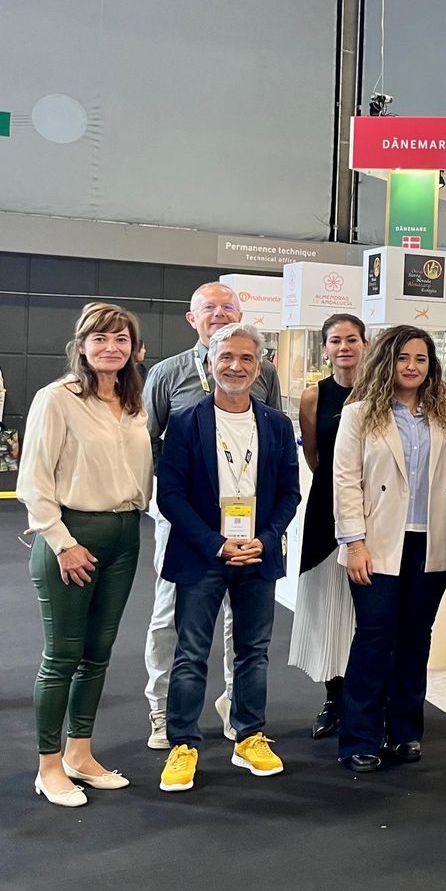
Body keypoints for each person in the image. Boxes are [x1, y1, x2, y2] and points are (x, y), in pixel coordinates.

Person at [155, 323, 300, 793]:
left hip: (257, 553)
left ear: (259, 368)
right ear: (210, 362)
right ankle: (183, 743)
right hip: (202, 554)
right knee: (191, 652)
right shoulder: (185, 422)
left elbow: (290, 493)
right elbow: (170, 495)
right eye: (226, 357)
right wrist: (215, 543)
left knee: (254, 652)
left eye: (246, 359)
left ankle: (249, 735)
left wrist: (267, 538)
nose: (236, 366)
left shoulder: (277, 424)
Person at [17, 303, 152, 807]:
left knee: (98, 653)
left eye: (121, 339)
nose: (111, 348)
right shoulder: (57, 398)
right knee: (63, 656)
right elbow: (34, 479)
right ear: (82, 345)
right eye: (100, 339)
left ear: (134, 349)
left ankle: (80, 753)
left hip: (125, 533)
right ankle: (48, 765)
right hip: (72, 536)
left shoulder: (134, 403)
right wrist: (62, 542)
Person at [142, 282, 282, 750]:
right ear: (192, 318)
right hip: (186, 520)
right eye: (209, 308)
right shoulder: (166, 373)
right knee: (172, 616)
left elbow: (270, 441)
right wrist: (182, 502)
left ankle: (236, 708)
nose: (219, 313)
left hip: (249, 524)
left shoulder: (263, 373)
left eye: (228, 306)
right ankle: (163, 709)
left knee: (241, 627)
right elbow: (148, 443)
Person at [332, 325, 446, 773]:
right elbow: (345, 481)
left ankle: (405, 731)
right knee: (374, 637)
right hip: (378, 542)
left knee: (415, 638)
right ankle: (359, 737)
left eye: (421, 358)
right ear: (387, 361)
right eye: (403, 357)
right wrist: (354, 543)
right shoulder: (359, 414)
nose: (412, 366)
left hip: (431, 542)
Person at [290, 314, 368, 738]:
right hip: (326, 507)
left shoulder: (380, 390)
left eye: (352, 339)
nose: (344, 347)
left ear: (365, 344)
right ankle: (334, 697)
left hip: (373, 508)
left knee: (367, 609)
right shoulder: (313, 396)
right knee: (329, 607)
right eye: (335, 340)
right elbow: (314, 455)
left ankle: (367, 697)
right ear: (325, 348)